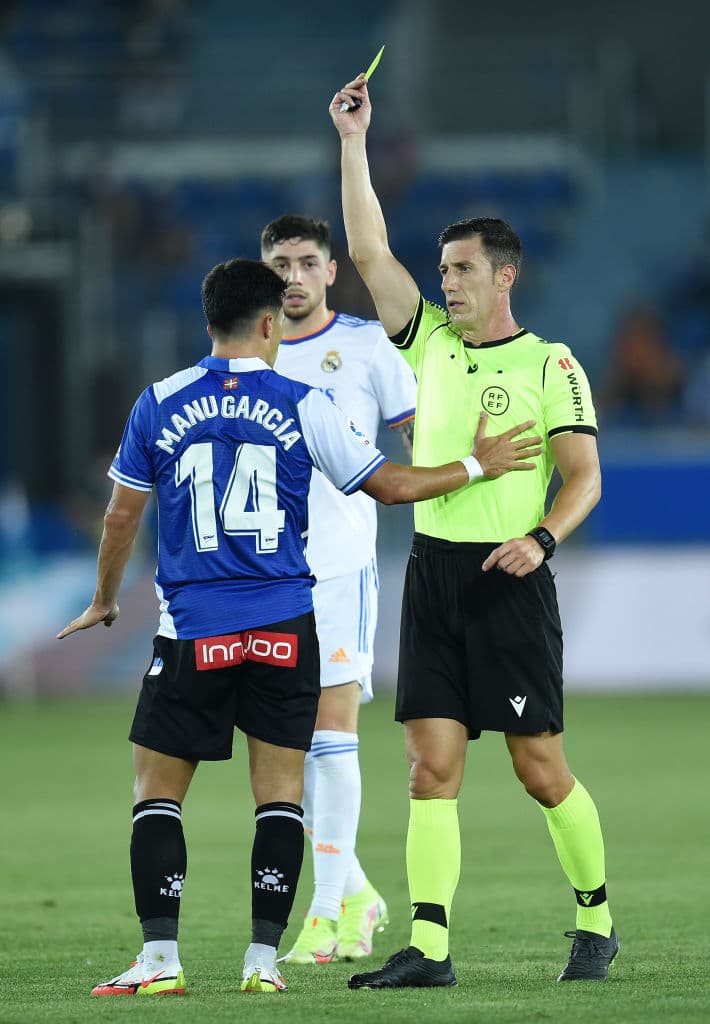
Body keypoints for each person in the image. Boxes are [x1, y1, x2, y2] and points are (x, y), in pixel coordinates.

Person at [57, 257, 542, 997]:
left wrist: (104, 597)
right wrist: (476, 467)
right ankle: (261, 963)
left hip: (192, 628)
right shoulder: (303, 401)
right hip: (283, 626)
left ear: (209, 321)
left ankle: (159, 961)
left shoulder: (158, 401)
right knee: (281, 795)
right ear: (267, 324)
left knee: (156, 793)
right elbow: (390, 486)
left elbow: (122, 516)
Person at [328, 75, 618, 989]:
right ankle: (431, 949)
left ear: (504, 275)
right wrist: (353, 141)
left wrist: (544, 540)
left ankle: (596, 918)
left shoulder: (550, 364)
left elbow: (584, 478)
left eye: (461, 269)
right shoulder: (427, 343)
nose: (446, 282)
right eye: (443, 269)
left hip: (510, 581)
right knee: (430, 769)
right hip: (433, 577)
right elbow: (367, 249)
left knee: (540, 769)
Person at [260, 213, 416, 965]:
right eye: (279, 264)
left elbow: (418, 437)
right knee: (282, 752)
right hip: (262, 575)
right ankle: (357, 893)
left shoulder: (367, 345)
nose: (293, 276)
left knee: (330, 734)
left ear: (330, 270)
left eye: (306, 262)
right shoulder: (245, 352)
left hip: (340, 566)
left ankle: (323, 915)